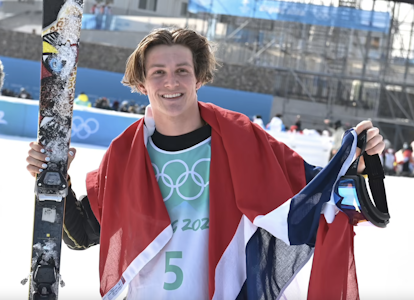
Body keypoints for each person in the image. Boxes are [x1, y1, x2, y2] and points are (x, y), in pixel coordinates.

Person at [26, 28, 385, 300]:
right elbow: (83, 234)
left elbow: (316, 199)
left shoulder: (243, 139)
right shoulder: (126, 154)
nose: (171, 82)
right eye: (158, 72)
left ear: (199, 77)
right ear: (141, 82)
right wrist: (56, 181)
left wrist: (360, 162)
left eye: (182, 70)